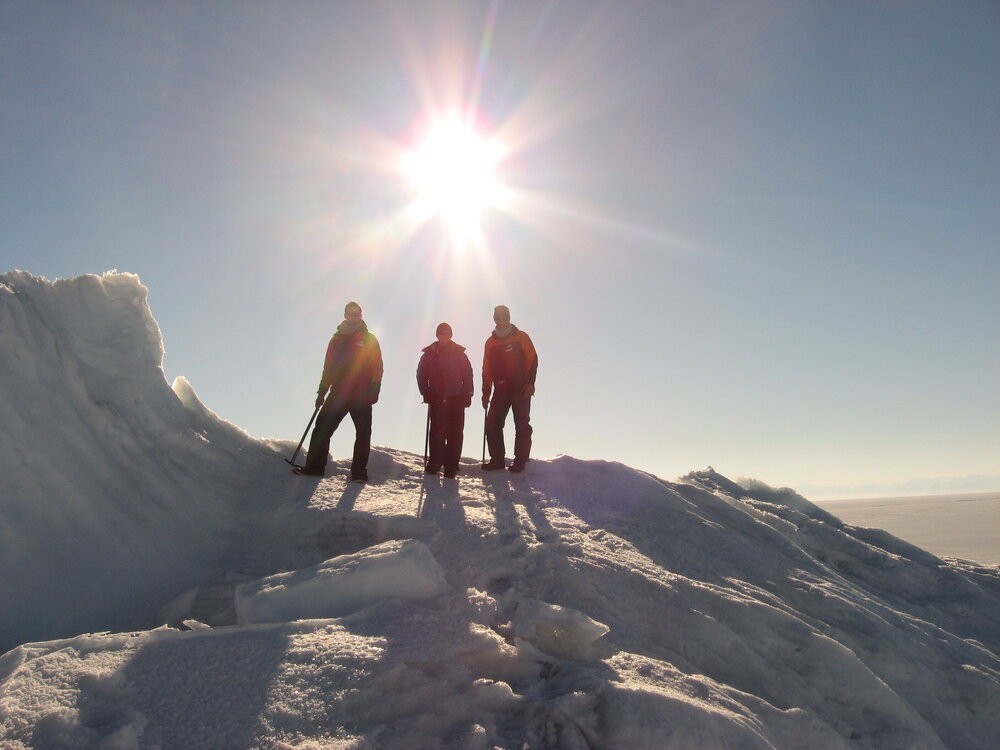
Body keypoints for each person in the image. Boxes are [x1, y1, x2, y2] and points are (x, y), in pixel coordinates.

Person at [296, 301, 383, 482]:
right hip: (339, 392)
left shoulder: (369, 339)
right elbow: (328, 367)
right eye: (350, 313)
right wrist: (322, 392)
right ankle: (314, 467)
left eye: (356, 314)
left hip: (362, 393)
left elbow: (377, 365)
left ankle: (359, 472)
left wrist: (375, 388)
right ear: (345, 315)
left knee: (363, 432)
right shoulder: (336, 339)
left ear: (361, 316)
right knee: (322, 429)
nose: (353, 316)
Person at [481, 305, 537, 473]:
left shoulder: (521, 337)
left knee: (521, 424)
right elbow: (486, 369)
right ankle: (497, 460)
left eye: (504, 316)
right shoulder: (490, 343)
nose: (501, 320)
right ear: (495, 319)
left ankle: (520, 460)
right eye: (498, 317)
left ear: (509, 317)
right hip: (501, 389)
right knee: (492, 423)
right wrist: (486, 392)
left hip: (520, 388)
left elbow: (532, 360)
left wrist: (530, 383)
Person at [416, 322, 474, 479]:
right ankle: (435, 462)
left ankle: (451, 465)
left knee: (455, 433)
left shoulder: (459, 354)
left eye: (447, 333)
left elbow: (467, 374)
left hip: (456, 397)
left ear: (451, 335)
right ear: (437, 335)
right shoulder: (429, 354)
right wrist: (425, 392)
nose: (445, 336)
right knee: (437, 431)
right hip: (436, 397)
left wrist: (468, 393)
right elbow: (421, 375)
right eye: (442, 333)